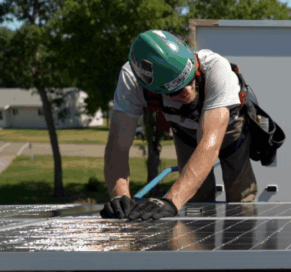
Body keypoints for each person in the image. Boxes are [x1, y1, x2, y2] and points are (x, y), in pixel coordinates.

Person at [101, 29, 258, 220]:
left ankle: (242, 242)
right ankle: (199, 246)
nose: (186, 91)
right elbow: (118, 145)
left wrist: (170, 201)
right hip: (183, 129)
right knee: (196, 201)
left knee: (240, 194)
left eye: (190, 79)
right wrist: (120, 198)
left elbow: (209, 144)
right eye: (174, 90)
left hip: (230, 127)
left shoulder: (217, 68)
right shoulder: (132, 79)